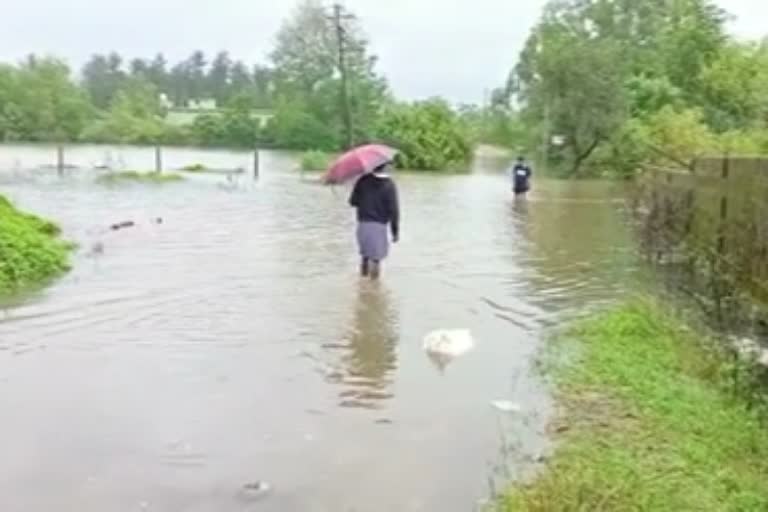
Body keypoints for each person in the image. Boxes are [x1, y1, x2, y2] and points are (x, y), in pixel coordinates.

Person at [349, 162, 400, 279]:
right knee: (376, 260)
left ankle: (363, 283)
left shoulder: (363, 180)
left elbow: (352, 202)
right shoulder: (389, 185)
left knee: (365, 256)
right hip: (379, 226)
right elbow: (394, 211)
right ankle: (374, 289)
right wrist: (395, 232)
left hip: (362, 225)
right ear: (385, 167)